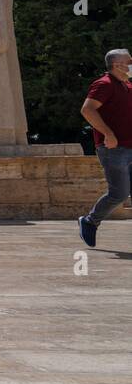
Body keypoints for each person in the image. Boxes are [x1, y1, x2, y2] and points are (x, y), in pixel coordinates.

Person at [79, 48, 132, 248]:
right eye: (129, 61)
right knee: (119, 194)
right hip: (113, 149)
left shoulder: (127, 85)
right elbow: (87, 109)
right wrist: (108, 134)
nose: (131, 65)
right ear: (117, 65)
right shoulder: (104, 84)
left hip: (130, 146)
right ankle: (90, 221)